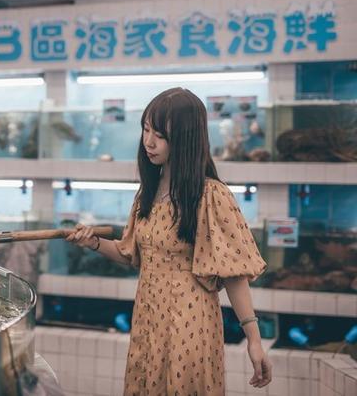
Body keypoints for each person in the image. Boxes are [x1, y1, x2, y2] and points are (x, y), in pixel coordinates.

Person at [66, 87, 271, 395]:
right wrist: (92, 242)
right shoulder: (146, 193)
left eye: (159, 134)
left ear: (185, 138)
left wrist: (254, 339)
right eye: (146, 130)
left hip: (190, 321)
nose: (149, 141)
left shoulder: (210, 195)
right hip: (148, 318)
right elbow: (130, 255)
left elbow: (234, 274)